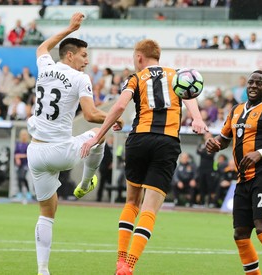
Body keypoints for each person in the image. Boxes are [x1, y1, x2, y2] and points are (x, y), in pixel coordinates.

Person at [80, 38, 207, 275]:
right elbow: (189, 94)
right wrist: (197, 118)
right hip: (167, 143)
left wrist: (97, 136)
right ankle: (128, 266)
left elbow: (118, 107)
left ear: (139, 57)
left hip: (138, 141)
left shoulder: (135, 78)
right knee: (150, 209)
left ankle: (119, 260)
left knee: (131, 202)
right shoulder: (176, 75)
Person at [26, 13, 122, 275]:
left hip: (35, 151)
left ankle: (43, 269)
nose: (86, 61)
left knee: (47, 212)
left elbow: (42, 47)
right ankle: (86, 181)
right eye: (83, 55)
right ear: (69, 55)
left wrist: (69, 28)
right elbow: (92, 114)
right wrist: (114, 117)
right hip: (61, 151)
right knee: (98, 131)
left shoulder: (45, 67)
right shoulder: (80, 79)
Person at [205, 70, 262, 275]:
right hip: (242, 180)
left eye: (259, 83)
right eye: (251, 82)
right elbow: (224, 139)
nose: (253, 86)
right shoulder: (236, 110)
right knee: (240, 234)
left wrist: (260, 153)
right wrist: (215, 143)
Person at [14, 129, 32, 201]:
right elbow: (15, 153)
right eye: (22, 135)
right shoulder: (18, 144)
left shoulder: (28, 144)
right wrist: (17, 158)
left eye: (25, 135)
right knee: (19, 178)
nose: (23, 136)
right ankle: (20, 193)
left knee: (22, 177)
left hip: (25, 164)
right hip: (19, 165)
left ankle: (28, 193)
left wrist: (20, 156)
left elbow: (29, 155)